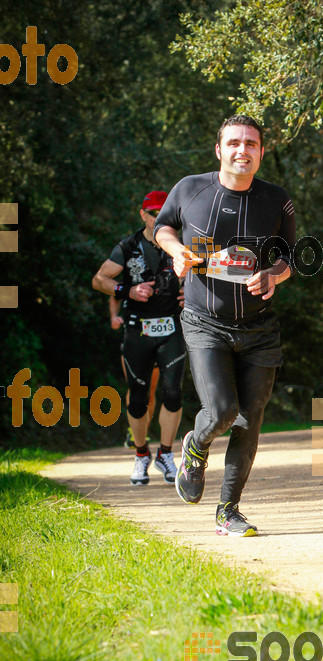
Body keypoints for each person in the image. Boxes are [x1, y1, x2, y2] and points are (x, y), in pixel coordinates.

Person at [154, 115, 295, 536]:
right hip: (205, 323)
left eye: (251, 144)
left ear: (261, 152)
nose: (242, 151)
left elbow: (288, 257)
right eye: (234, 143)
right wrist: (177, 250)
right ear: (219, 150)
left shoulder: (277, 200)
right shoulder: (189, 189)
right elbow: (163, 227)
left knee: (249, 420)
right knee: (221, 411)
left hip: (259, 328)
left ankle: (228, 511)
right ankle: (195, 447)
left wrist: (274, 275)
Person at [92, 190, 186, 486]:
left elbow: (207, 274)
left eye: (163, 212)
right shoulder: (128, 246)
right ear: (143, 214)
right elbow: (99, 279)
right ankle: (141, 453)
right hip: (137, 330)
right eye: (153, 212)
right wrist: (127, 291)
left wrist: (192, 294)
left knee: (172, 392)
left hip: (172, 328)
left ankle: (166, 455)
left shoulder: (181, 245)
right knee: (139, 397)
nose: (158, 217)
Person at [108, 294, 160, 448]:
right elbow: (114, 296)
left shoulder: (161, 278)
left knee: (150, 391)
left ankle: (143, 429)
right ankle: (133, 430)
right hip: (132, 339)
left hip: (157, 339)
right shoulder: (130, 276)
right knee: (135, 387)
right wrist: (114, 316)